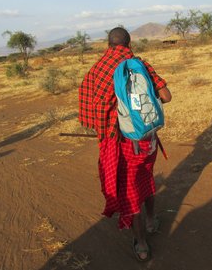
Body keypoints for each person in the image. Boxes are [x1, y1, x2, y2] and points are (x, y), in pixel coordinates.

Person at [78, 27, 172, 262]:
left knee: (130, 192)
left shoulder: (97, 69)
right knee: (147, 176)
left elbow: (89, 110)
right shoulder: (139, 63)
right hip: (146, 137)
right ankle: (151, 221)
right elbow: (167, 96)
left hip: (122, 143)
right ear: (129, 44)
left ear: (107, 45)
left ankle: (141, 243)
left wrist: (108, 125)